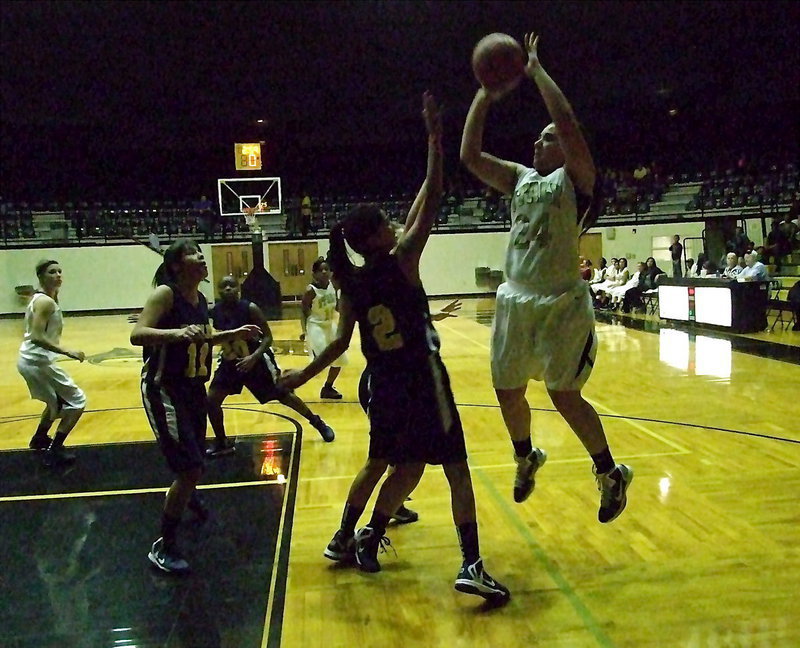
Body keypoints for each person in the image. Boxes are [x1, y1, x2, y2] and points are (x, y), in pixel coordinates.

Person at [280, 92, 510, 603]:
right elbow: (435, 194)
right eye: (386, 221)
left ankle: (351, 535)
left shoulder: (351, 282)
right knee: (456, 469)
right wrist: (433, 140)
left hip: (382, 384)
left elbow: (340, 341)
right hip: (422, 377)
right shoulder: (404, 258)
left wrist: (301, 377)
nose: (394, 223)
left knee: (396, 465)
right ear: (377, 238)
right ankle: (471, 563)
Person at [460, 32, 632, 522]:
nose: (539, 141)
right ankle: (526, 456)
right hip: (516, 298)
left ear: (566, 149)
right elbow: (470, 156)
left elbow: (569, 123)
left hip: (560, 302)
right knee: (507, 389)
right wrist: (483, 92)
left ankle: (608, 472)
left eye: (547, 138)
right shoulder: (519, 178)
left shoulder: (577, 182)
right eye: (538, 137)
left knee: (563, 394)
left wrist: (535, 72)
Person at [131, 239, 260, 573]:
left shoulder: (201, 299)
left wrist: (232, 333)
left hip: (192, 390)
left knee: (193, 461)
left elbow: (199, 339)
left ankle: (186, 495)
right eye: (193, 254)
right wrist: (175, 334)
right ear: (176, 265)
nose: (202, 258)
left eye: (202, 253)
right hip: (164, 390)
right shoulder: (166, 294)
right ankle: (164, 545)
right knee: (190, 468)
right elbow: (137, 334)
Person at [206, 275, 335, 458]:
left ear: (239, 288)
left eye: (232, 285)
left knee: (283, 394)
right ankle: (222, 442)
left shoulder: (249, 308)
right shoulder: (215, 311)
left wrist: (253, 357)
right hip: (230, 362)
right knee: (212, 400)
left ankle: (317, 423)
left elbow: (268, 337)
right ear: (218, 290)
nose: (228, 289)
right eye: (224, 286)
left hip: (256, 361)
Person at [17, 259, 87, 467]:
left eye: (59, 271)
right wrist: (68, 351)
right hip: (37, 362)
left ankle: (39, 438)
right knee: (77, 401)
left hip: (32, 361)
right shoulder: (45, 302)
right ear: (40, 277)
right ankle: (55, 449)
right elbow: (36, 336)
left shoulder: (46, 298)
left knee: (55, 403)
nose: (57, 275)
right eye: (51, 272)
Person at [300, 258, 347, 399]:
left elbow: (337, 306)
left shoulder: (333, 285)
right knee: (320, 360)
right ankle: (291, 381)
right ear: (314, 274)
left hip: (329, 325)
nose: (325, 272)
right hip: (315, 325)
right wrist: (304, 331)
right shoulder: (310, 290)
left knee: (339, 359)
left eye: (327, 269)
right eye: (321, 270)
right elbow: (303, 311)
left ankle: (327, 388)